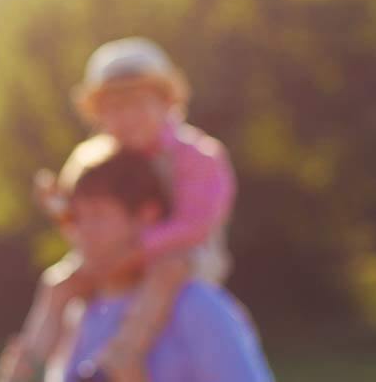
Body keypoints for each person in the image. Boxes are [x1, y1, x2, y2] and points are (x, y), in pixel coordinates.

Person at [0, 37, 236, 382]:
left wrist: (136, 251)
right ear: (98, 115)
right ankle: (26, 364)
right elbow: (77, 219)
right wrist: (60, 209)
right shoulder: (92, 159)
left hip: (180, 257)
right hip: (112, 258)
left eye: (138, 104)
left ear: (167, 102)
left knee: (166, 273)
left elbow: (194, 226)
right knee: (58, 283)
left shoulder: (198, 155)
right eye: (113, 109)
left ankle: (122, 352)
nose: (126, 118)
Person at [57, 148, 271, 381]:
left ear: (147, 216)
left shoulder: (197, 307)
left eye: (98, 215)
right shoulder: (81, 313)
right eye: (76, 218)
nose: (83, 233)